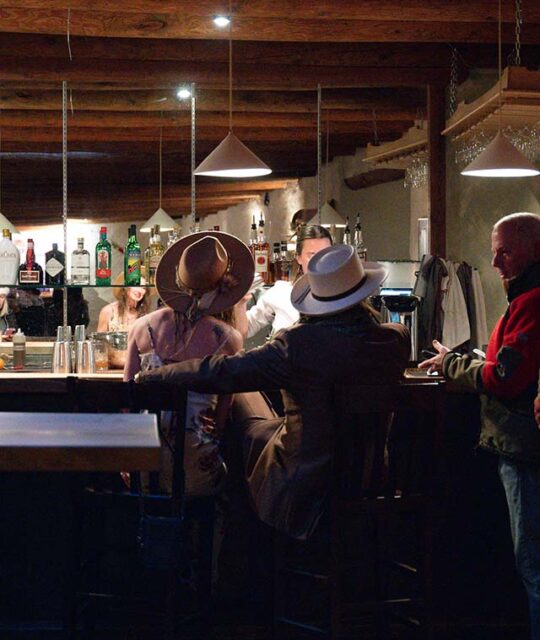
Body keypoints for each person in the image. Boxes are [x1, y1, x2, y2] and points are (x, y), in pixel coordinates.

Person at [139, 244, 410, 540]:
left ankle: (239, 550)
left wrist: (156, 375)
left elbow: (222, 371)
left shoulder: (299, 345)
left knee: (240, 412)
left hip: (307, 487)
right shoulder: (395, 340)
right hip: (371, 482)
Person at [420, 212, 540, 639]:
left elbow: (506, 378)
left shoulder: (532, 300)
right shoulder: (524, 295)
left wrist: (453, 364)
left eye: (504, 252)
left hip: (524, 448)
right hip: (519, 446)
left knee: (532, 562)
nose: (495, 263)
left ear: (531, 248)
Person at [125, 232, 247, 496]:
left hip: (144, 461)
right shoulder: (229, 340)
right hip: (195, 469)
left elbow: (128, 399)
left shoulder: (139, 328)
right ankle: (200, 535)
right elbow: (222, 418)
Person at [235, 224, 332, 340]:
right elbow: (243, 331)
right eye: (312, 255)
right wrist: (241, 302)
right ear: (299, 258)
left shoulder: (347, 296)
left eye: (326, 254)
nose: (320, 261)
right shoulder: (281, 292)